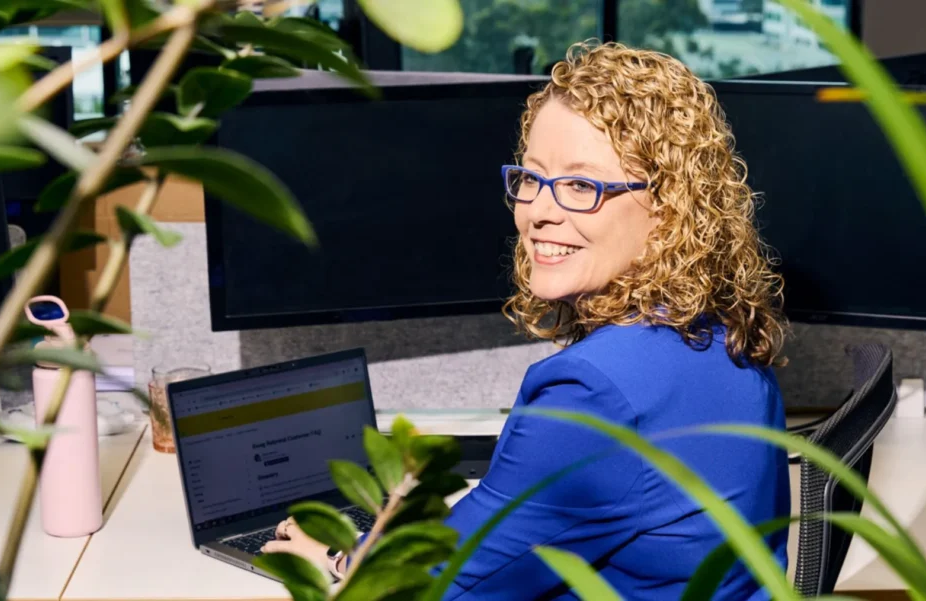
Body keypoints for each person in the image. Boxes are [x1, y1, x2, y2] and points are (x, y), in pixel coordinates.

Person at [262, 40, 792, 599]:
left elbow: (428, 586)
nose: (538, 211)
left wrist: (338, 557)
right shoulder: (725, 336)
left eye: (582, 186)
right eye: (532, 178)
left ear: (668, 209)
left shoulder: (595, 394)